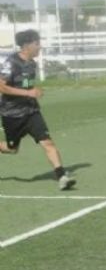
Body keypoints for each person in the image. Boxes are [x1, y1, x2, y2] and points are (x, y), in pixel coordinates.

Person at [0, 29, 77, 190]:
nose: (39, 47)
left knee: (48, 142)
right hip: (12, 114)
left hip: (31, 111)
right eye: (37, 44)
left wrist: (34, 90)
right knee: (12, 149)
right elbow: (2, 87)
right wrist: (28, 92)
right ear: (27, 45)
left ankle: (61, 176)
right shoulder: (10, 63)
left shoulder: (31, 64)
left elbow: (26, 85)